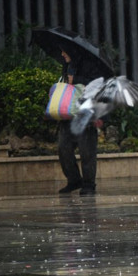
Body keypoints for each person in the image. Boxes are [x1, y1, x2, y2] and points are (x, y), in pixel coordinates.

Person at [57, 47, 99, 194]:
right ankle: (74, 180)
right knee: (64, 148)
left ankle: (88, 185)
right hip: (68, 112)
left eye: (65, 51)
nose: (62, 54)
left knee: (86, 150)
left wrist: (77, 80)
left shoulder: (90, 64)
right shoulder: (68, 65)